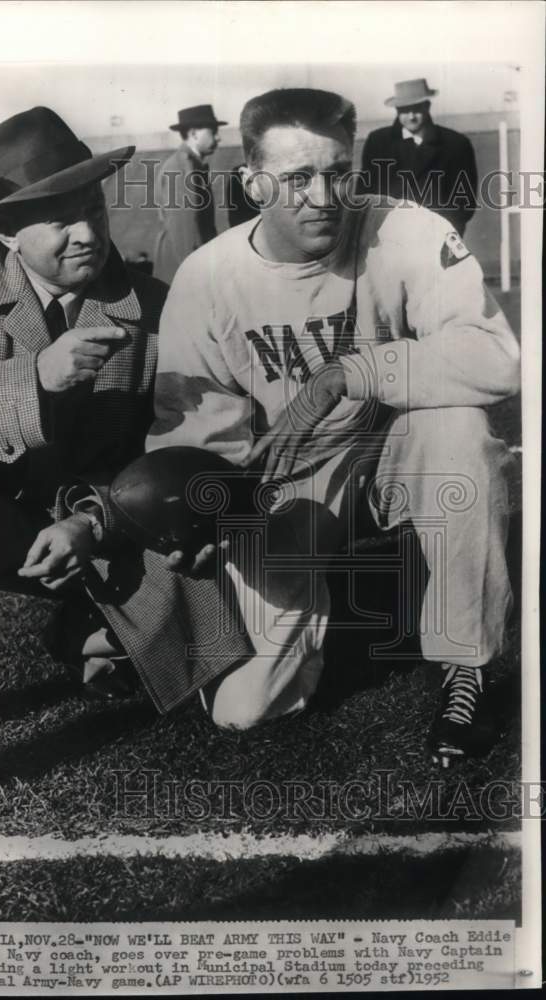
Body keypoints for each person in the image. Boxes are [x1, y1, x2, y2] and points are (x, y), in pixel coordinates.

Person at [0, 106, 251, 760]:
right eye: (60, 219)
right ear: (9, 232)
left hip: (102, 530)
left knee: (229, 662)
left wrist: (94, 522)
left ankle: (87, 635)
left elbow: (178, 451)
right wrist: (34, 377)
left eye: (93, 211)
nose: (86, 234)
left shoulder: (156, 308)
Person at [147, 88, 519, 766]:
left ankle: (465, 664)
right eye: (297, 178)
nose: (323, 196)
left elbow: (496, 358)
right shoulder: (208, 278)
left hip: (394, 445)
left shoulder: (406, 230)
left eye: (338, 171)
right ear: (254, 182)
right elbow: (199, 436)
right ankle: (365, 589)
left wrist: (349, 373)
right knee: (245, 711)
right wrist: (208, 518)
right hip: (287, 479)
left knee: (460, 430)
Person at [361, 78, 478, 235]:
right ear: (396, 110)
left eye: (416, 109)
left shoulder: (456, 144)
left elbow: (465, 202)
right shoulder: (378, 142)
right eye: (404, 110)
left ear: (427, 106)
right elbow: (364, 195)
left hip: (437, 236)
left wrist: (445, 235)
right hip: (389, 237)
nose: (411, 117)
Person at [153, 104, 226, 283]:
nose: (218, 137)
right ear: (194, 134)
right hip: (183, 267)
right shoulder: (182, 168)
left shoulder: (192, 165)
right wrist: (197, 276)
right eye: (213, 131)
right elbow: (184, 229)